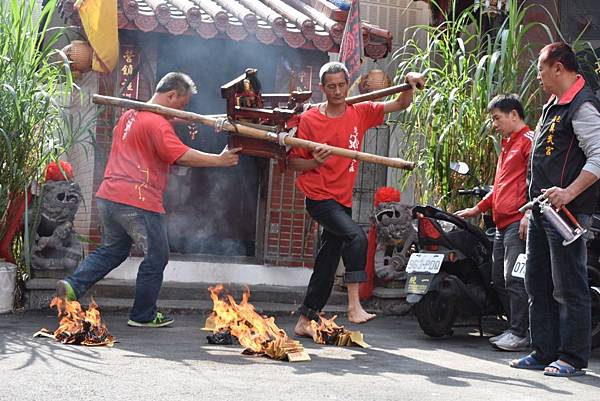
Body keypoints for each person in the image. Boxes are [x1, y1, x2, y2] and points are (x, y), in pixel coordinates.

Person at [56, 72, 241, 328]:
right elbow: (179, 154)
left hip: (109, 197)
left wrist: (209, 121)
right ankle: (143, 315)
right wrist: (219, 160)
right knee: (157, 256)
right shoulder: (157, 124)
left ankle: (73, 285)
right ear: (171, 95)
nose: (183, 110)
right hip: (138, 199)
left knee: (113, 250)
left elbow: (160, 125)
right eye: (182, 104)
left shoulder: (129, 116)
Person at [288, 62, 425, 337]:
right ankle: (354, 305)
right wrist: (314, 161)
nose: (337, 91)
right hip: (318, 197)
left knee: (327, 262)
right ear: (322, 88)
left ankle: (305, 319)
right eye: (331, 86)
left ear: (347, 84)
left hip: (342, 198)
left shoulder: (359, 112)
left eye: (341, 85)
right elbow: (293, 163)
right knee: (357, 238)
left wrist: (410, 82)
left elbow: (399, 104)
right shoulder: (311, 119)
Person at [510, 42, 600, 377]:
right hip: (541, 211)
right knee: (537, 282)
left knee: (570, 286)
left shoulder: (582, 105)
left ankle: (573, 358)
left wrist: (569, 192)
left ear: (559, 67)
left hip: (568, 213)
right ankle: (542, 350)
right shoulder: (553, 104)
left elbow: (599, 157)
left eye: (541, 70)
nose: (538, 77)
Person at [456, 94, 533, 351]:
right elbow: (499, 187)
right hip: (501, 224)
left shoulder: (528, 142)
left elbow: (537, 182)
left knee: (514, 278)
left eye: (497, 118)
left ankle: (522, 333)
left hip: (517, 222)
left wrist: (528, 215)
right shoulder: (507, 144)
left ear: (514, 114)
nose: (495, 124)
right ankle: (515, 328)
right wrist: (476, 209)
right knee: (499, 279)